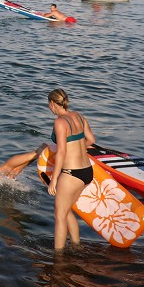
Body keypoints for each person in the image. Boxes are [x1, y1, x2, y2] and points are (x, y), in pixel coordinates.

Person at [44, 89, 96, 251]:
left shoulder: (60, 122)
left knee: (59, 216)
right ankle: (76, 245)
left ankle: (58, 258)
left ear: (53, 104)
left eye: (48, 105)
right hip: (87, 171)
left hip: (71, 173)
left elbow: (61, 152)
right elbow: (91, 140)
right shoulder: (79, 116)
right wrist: (77, 147)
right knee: (66, 211)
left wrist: (54, 179)